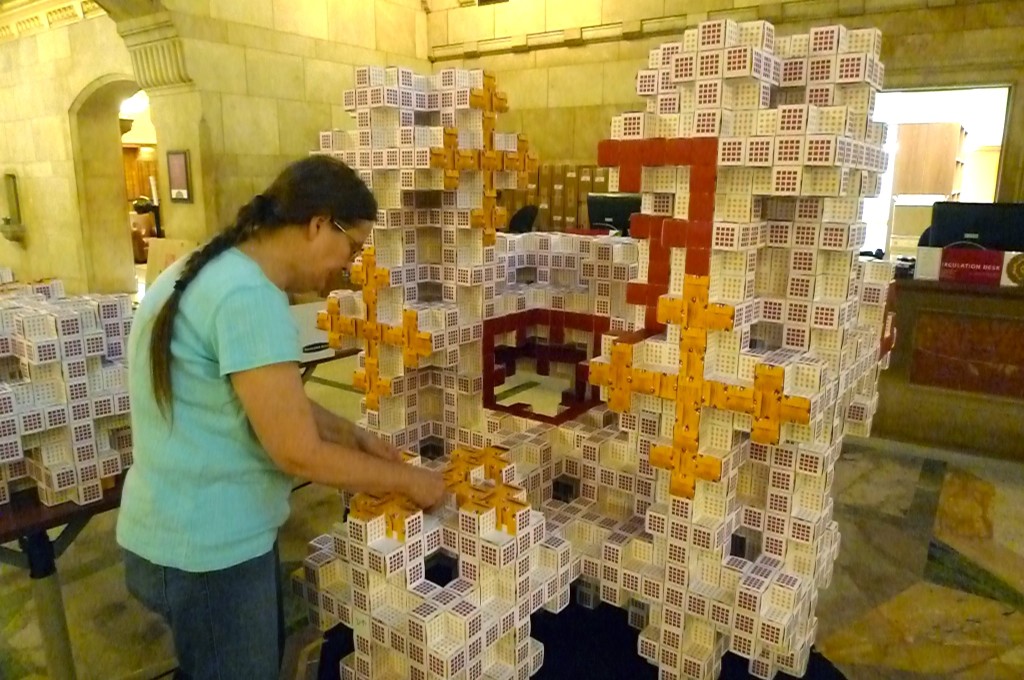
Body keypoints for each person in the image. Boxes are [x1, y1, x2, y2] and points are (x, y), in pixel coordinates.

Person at [117, 156, 447, 680]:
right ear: (318, 225)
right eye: (352, 249)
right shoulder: (250, 297)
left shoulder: (208, 267)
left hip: (167, 533)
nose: (348, 268)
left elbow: (264, 399)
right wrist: (411, 482)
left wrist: (351, 433)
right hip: (209, 553)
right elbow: (296, 451)